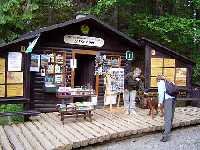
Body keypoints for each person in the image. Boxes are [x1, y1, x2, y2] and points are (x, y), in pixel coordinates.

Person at [157, 75, 176, 142]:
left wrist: (160, 103)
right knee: (171, 116)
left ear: (158, 79)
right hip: (173, 99)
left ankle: (166, 136)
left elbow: (161, 94)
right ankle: (168, 129)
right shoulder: (169, 82)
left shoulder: (160, 83)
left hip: (167, 100)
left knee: (167, 117)